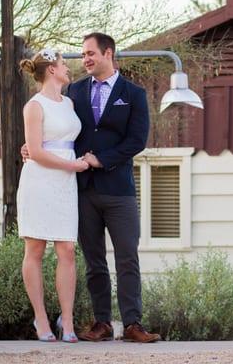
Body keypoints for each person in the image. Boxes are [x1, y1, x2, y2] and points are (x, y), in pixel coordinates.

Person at [22, 33, 160, 343]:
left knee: (127, 257)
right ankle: (101, 323)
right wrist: (30, 147)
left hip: (119, 189)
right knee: (93, 260)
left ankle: (133, 324)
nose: (84, 59)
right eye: (83, 55)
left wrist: (100, 160)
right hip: (80, 190)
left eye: (90, 53)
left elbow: (136, 141)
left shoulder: (133, 94)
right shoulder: (73, 92)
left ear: (108, 53)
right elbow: (54, 127)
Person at [17, 49, 89, 343]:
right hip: (40, 181)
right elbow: (35, 151)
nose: (67, 69)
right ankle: (41, 319)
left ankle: (67, 320)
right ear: (51, 70)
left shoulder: (69, 102)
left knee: (67, 250)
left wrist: (74, 163)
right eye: (63, 65)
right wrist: (71, 164)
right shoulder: (34, 106)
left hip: (65, 185)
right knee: (35, 249)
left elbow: (65, 139)